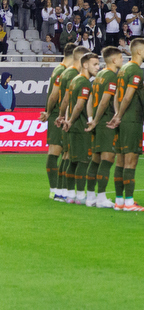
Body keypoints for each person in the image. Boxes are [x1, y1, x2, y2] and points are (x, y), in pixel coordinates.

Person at [107, 37, 144, 211]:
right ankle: (129, 202)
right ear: (139, 51)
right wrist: (120, 115)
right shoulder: (135, 70)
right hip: (131, 119)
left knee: (120, 161)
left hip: (123, 119)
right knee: (130, 162)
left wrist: (117, 114)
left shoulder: (123, 69)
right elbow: (127, 96)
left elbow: (117, 95)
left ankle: (119, 201)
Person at [85, 45, 124, 209]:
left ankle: (90, 197)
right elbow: (104, 101)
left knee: (95, 160)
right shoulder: (111, 77)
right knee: (107, 159)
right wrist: (96, 120)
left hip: (97, 122)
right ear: (114, 60)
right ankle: (101, 198)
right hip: (105, 122)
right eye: (120, 57)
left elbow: (90, 100)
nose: (122, 60)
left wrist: (91, 118)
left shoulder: (99, 75)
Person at [43, 45, 83, 201]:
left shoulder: (59, 69)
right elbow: (54, 95)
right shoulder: (64, 72)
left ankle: (62, 189)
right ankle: (55, 189)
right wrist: (49, 112)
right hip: (58, 115)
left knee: (64, 152)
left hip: (58, 114)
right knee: (56, 151)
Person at [56, 50, 93, 205]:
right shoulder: (84, 82)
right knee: (82, 161)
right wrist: (70, 120)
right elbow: (79, 105)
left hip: (71, 125)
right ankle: (79, 195)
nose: (98, 67)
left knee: (70, 159)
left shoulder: (74, 80)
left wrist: (63, 117)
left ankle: (67, 193)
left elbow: (65, 100)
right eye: (95, 64)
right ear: (85, 64)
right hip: (80, 125)